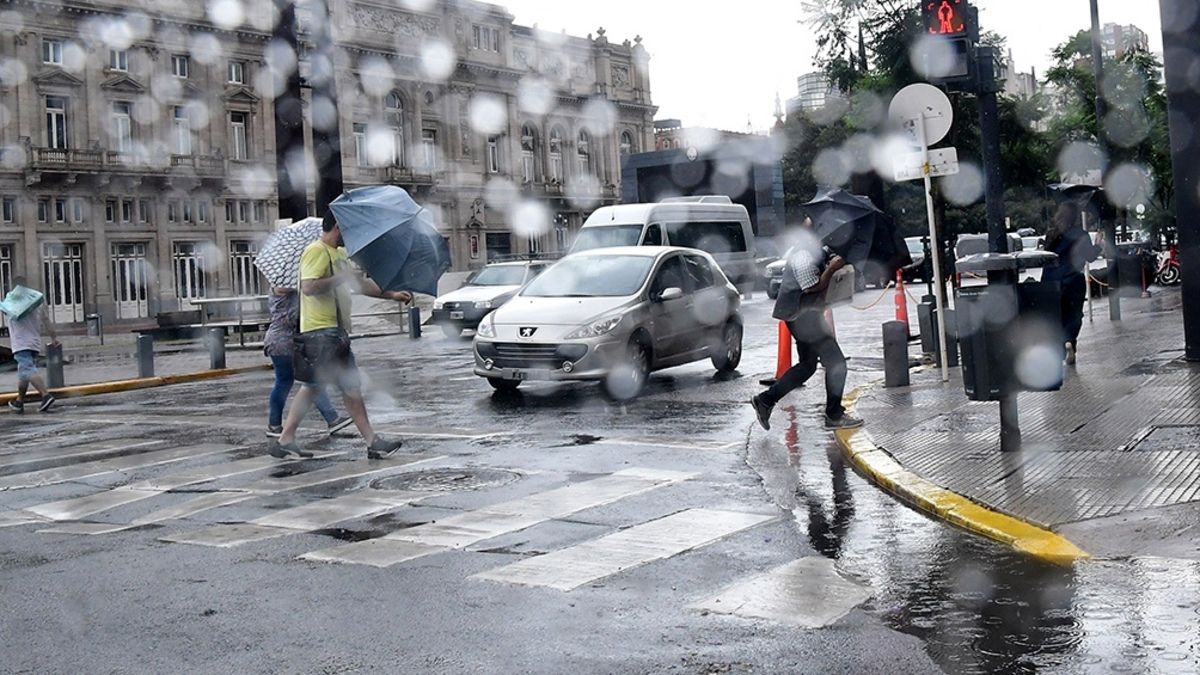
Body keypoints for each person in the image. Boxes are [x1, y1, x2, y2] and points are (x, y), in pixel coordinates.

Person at [269, 212, 412, 460]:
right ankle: (287, 439)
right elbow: (309, 287)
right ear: (337, 227)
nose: (351, 236)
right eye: (348, 230)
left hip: (335, 332)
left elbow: (358, 284)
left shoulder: (339, 254)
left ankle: (370, 442)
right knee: (319, 387)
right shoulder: (316, 251)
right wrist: (340, 278)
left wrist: (392, 295)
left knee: (341, 387)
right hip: (320, 332)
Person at [751, 224, 862, 431]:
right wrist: (831, 268)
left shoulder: (816, 251)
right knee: (837, 363)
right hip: (802, 317)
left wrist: (833, 262)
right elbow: (812, 286)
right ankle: (834, 415)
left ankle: (765, 400)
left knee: (807, 366)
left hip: (806, 315)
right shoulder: (802, 255)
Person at [263, 286, 352, 438]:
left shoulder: (291, 290)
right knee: (288, 382)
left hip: (293, 342)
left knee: (312, 380)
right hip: (282, 343)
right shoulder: (281, 289)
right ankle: (274, 425)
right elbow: (293, 309)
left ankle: (332, 419)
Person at [1042, 201, 1101, 366]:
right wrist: (1098, 245)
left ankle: (1060, 349)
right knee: (1074, 314)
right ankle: (1069, 340)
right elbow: (1090, 256)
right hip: (1073, 279)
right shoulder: (1080, 234)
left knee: (1057, 316)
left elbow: (1045, 257)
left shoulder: (1051, 234)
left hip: (1052, 281)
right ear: (1075, 216)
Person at [5, 277, 58, 414]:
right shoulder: (37, 301)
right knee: (24, 374)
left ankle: (45, 395)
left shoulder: (12, 301)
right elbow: (46, 320)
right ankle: (19, 401)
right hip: (34, 343)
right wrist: (53, 337)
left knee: (27, 370)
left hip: (21, 343)